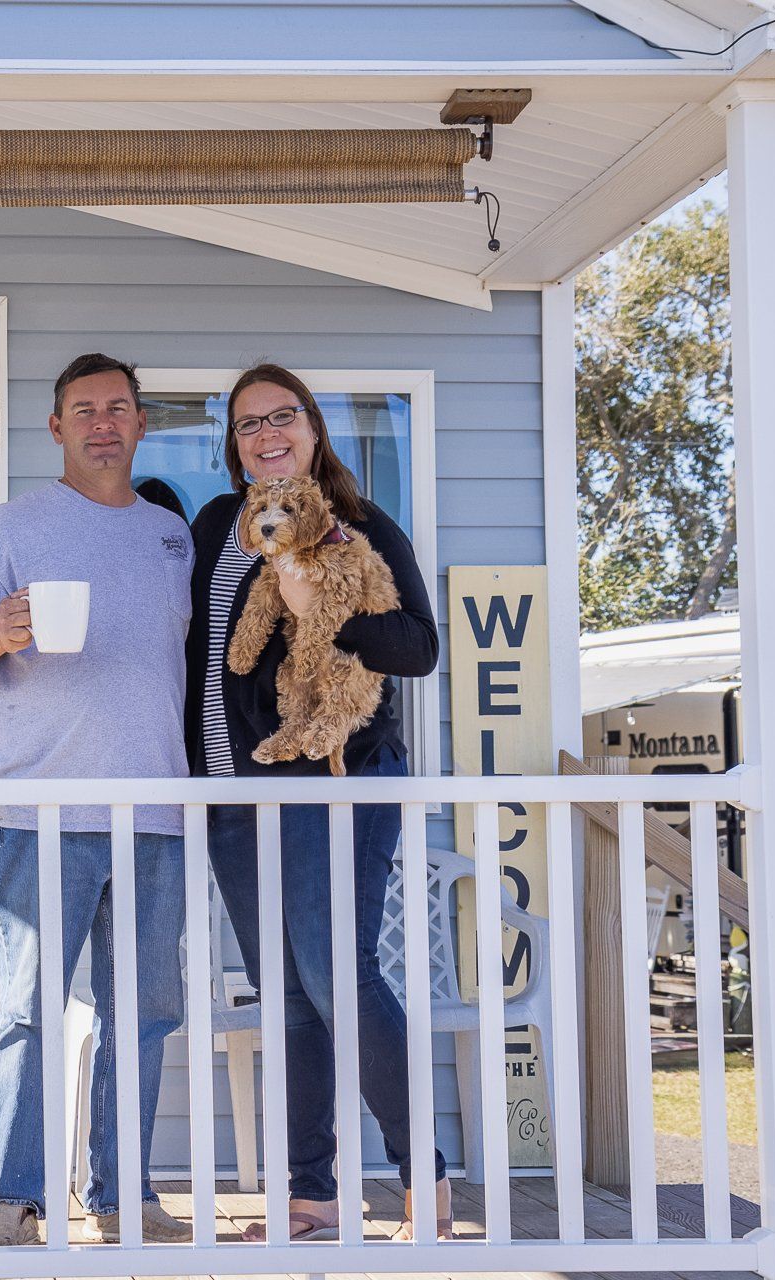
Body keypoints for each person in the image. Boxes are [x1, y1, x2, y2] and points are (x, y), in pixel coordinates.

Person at [0, 352, 194, 1246]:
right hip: (41, 812)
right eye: (84, 409)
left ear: (140, 422)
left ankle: (123, 1196)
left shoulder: (172, 535)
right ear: (56, 428)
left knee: (146, 1015)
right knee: (30, 1012)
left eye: (119, 407)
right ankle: (16, 1196)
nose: (103, 423)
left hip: (156, 813)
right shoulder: (10, 528)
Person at [185, 363, 450, 1241]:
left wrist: (319, 610)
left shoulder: (360, 525)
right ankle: (309, 1201)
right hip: (235, 791)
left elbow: (416, 647)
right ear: (234, 444)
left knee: (339, 977)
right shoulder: (220, 523)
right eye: (248, 423)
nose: (266, 433)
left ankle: (425, 1182)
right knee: (284, 997)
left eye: (282, 416)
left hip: (334, 780)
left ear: (311, 428)